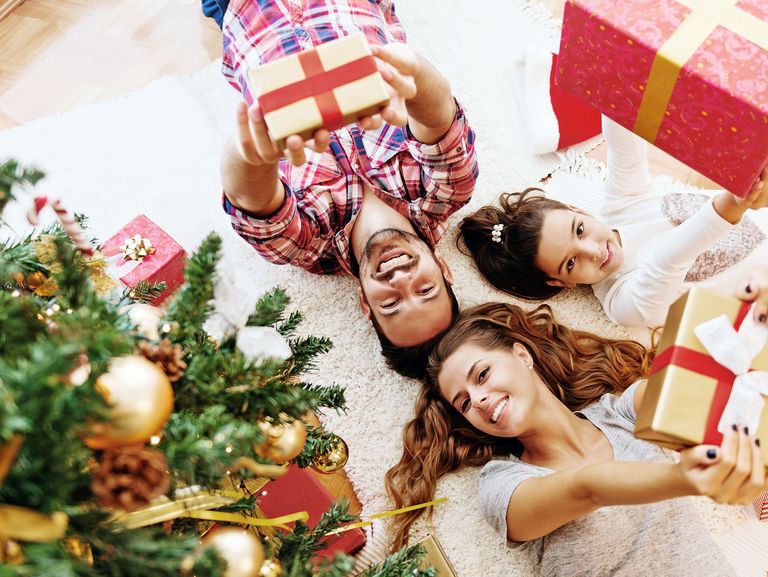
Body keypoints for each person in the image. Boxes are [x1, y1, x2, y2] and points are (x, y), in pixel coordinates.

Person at [385, 299, 766, 577]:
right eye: (464, 402)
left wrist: (753, 320)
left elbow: (695, 373)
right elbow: (587, 488)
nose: (479, 400)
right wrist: (688, 479)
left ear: (522, 355)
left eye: (482, 375)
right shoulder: (502, 485)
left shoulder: (621, 413)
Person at [218, 0, 478, 378]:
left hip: (244, 13)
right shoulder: (445, 191)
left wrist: (254, 153)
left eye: (390, 304)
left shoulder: (309, 247)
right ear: (443, 268)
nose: (401, 280)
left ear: (364, 301)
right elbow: (438, 111)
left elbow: (249, 201)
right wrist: (410, 76)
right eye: (425, 290)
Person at [458, 116, 768, 327]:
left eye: (579, 229)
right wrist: (732, 203)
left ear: (578, 209)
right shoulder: (623, 304)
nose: (592, 250)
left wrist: (615, 71)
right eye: (570, 263)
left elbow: (624, 144)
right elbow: (668, 262)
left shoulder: (621, 207)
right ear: (560, 282)